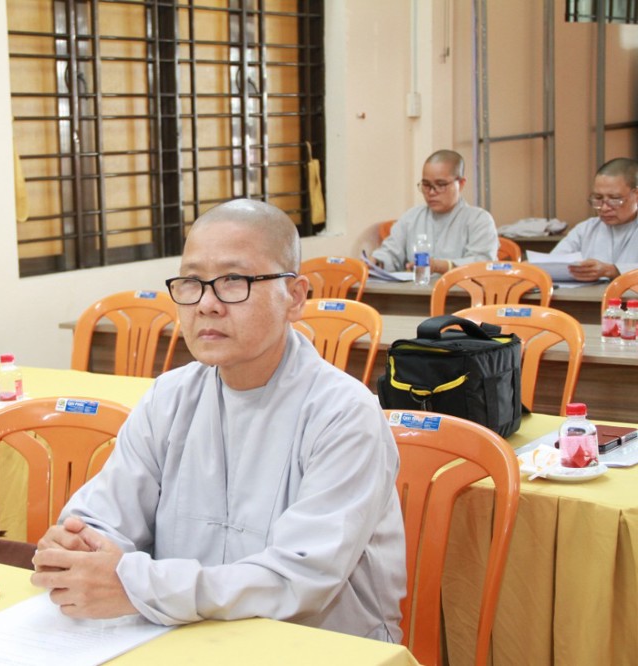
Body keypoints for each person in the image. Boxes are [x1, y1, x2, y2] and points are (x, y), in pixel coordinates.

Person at [31, 199, 406, 642]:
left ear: (295, 297)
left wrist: (137, 586)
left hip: (316, 646)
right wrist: (77, 546)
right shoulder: (169, 397)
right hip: (184, 637)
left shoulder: (343, 414)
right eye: (192, 282)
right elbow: (105, 514)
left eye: (234, 280)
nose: (207, 304)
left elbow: (298, 578)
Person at [371, 149, 499, 274]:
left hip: (461, 288)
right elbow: (390, 252)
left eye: (441, 185)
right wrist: (377, 262)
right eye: (426, 185)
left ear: (460, 184)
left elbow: (483, 263)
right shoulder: (411, 217)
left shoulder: (479, 219)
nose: (431, 192)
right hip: (416, 288)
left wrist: (441, 266)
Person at [551, 157, 638, 281]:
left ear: (636, 196)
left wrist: (612, 270)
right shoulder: (585, 229)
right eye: (598, 198)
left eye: (614, 198)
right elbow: (553, 263)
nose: (604, 208)